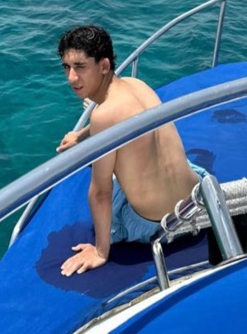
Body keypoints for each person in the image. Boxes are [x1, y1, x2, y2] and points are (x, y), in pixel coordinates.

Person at [56, 25, 207, 277]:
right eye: (67, 67)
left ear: (104, 66)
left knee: (106, 175)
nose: (71, 77)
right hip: (196, 202)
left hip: (160, 225)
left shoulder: (104, 115)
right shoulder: (137, 84)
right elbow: (119, 119)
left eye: (80, 67)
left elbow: (101, 192)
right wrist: (82, 136)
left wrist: (100, 251)